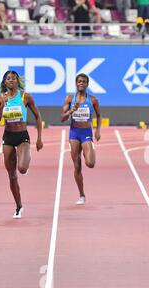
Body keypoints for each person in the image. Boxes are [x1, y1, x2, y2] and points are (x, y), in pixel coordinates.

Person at [0, 70, 44, 219]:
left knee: (21, 169)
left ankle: (25, 161)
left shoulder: (25, 97)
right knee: (12, 175)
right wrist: (2, 106)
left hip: (22, 136)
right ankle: (18, 206)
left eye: (13, 79)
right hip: (8, 137)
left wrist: (39, 138)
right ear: (4, 82)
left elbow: (37, 116)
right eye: (8, 79)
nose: (10, 81)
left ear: (17, 81)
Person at [61, 73, 101, 205]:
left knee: (90, 163)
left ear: (87, 84)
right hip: (74, 133)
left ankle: (90, 148)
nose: (81, 83)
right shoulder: (70, 99)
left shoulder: (93, 100)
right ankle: (81, 194)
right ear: (76, 83)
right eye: (79, 81)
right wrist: (72, 110)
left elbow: (99, 116)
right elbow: (62, 118)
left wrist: (98, 130)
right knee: (77, 166)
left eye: (84, 81)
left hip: (86, 132)